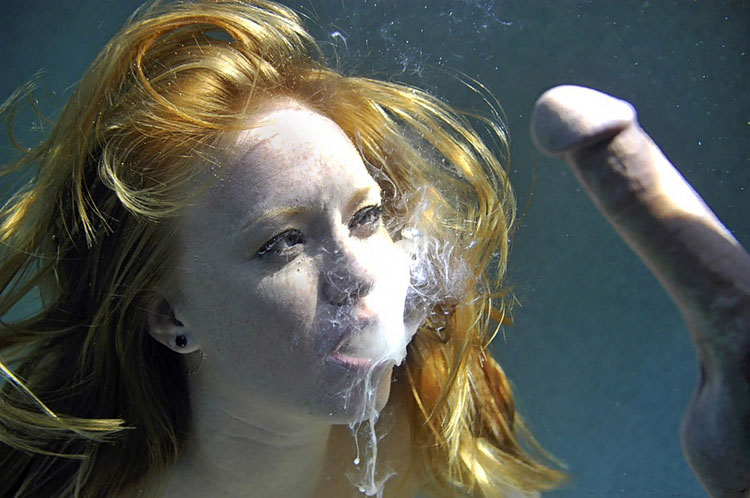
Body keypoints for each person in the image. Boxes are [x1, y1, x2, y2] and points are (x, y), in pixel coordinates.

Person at [0, 1, 566, 496]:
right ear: (170, 316)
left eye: (365, 217)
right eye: (284, 242)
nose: (360, 274)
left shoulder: (433, 412)